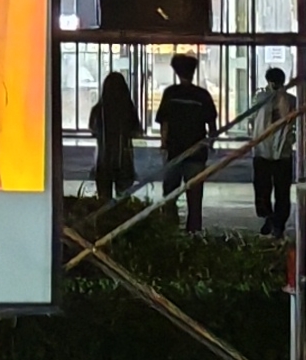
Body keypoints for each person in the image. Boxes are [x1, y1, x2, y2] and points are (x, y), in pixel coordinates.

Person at [154, 54, 217, 233]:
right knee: (195, 197)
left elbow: (164, 123)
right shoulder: (202, 95)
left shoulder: (170, 94)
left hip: (174, 152)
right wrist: (210, 142)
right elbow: (212, 124)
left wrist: (163, 145)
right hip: (196, 152)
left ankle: (169, 228)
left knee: (169, 194)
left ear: (176, 72)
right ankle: (193, 231)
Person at [250, 67, 298, 237]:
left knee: (278, 190)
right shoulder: (262, 98)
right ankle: (272, 219)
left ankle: (276, 222)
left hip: (277, 151)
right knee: (267, 189)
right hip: (268, 150)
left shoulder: (288, 100)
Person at [87, 71, 140, 203]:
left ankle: (106, 215)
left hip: (103, 159)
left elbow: (92, 129)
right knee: (123, 200)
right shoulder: (128, 110)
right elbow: (136, 131)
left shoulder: (98, 110)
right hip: (124, 159)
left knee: (104, 199)